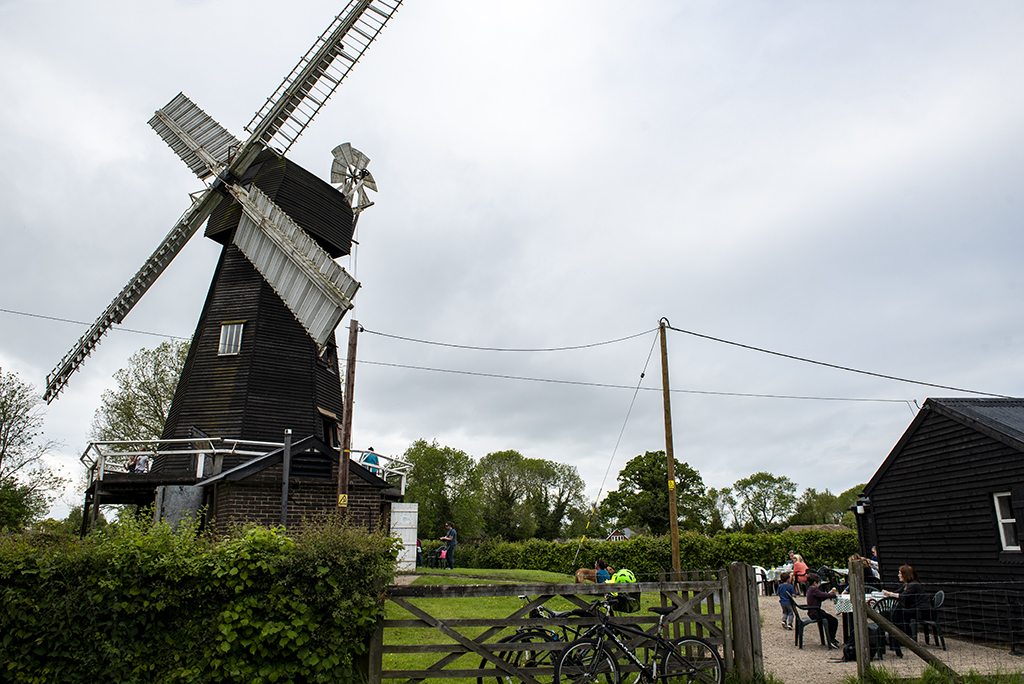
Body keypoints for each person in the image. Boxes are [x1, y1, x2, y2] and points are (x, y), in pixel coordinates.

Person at [882, 564, 930, 657]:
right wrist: (888, 594)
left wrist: (889, 594)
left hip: (922, 611)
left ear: (905, 575)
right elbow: (898, 593)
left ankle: (897, 638)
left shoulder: (913, 585)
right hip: (915, 610)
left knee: (898, 613)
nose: (898, 575)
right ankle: (897, 638)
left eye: (900, 573)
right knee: (897, 612)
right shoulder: (907, 585)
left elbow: (903, 596)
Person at [806, 572, 840, 648]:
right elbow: (823, 595)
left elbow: (821, 597)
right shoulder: (814, 590)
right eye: (819, 583)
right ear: (815, 583)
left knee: (830, 619)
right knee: (833, 621)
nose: (820, 584)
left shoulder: (810, 590)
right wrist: (834, 595)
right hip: (816, 612)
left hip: (813, 612)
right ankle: (831, 639)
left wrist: (829, 594)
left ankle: (831, 638)